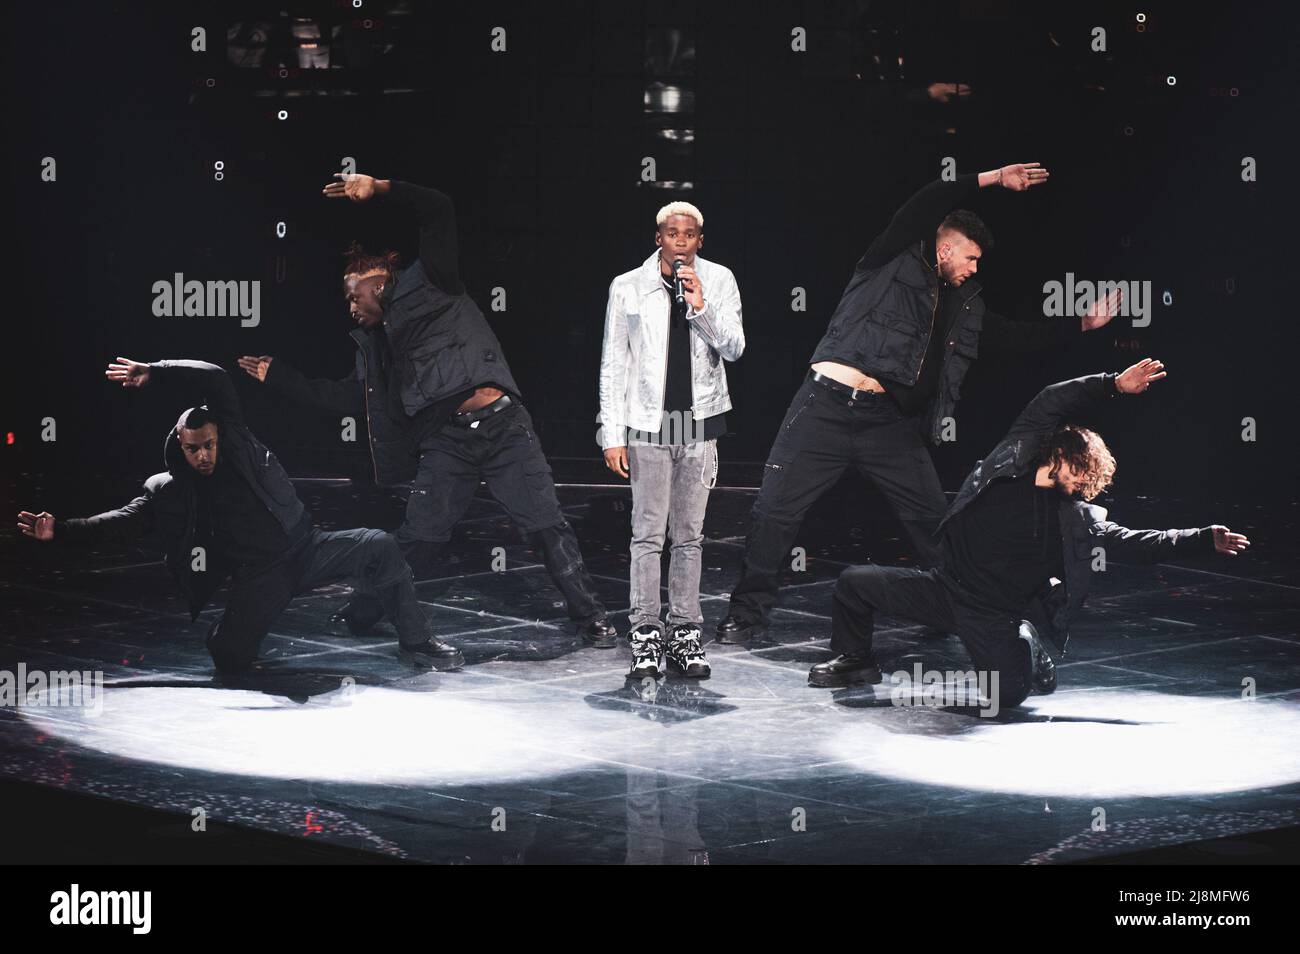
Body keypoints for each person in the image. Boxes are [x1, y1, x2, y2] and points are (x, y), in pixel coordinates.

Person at [716, 161, 1125, 644]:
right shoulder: (890, 258)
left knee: (935, 521)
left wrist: (1081, 324)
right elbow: (927, 199)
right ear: (946, 246)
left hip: (886, 422)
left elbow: (1015, 337)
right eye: (970, 258)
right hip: (823, 406)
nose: (974, 269)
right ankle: (746, 615)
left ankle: (958, 605)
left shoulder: (965, 304)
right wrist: (993, 179)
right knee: (775, 513)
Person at [239, 174, 616, 646]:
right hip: (448, 442)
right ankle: (364, 610)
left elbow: (438, 208)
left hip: (503, 428)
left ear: (378, 282)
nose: (350, 307)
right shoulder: (375, 347)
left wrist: (377, 187)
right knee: (420, 537)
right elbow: (347, 398)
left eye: (354, 296)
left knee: (545, 526)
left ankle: (591, 617)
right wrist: (281, 379)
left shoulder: (432, 280)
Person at [808, 359, 1251, 710]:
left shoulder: (1076, 520)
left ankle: (1026, 642)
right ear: (1061, 454)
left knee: (1004, 699)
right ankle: (856, 660)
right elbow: (1050, 400)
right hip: (942, 589)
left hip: (991, 614)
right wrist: (1113, 384)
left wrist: (1201, 537)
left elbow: (1137, 545)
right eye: (1080, 471)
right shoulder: (1014, 456)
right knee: (854, 583)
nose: (1082, 483)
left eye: (1088, 480)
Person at [17, 358, 464, 673]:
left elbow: (214, 376)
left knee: (380, 546)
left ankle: (416, 642)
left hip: (308, 548)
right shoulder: (170, 489)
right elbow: (121, 522)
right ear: (179, 444)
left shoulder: (236, 437)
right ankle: (227, 634)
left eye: (208, 444)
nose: (204, 455)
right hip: (263, 575)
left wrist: (154, 372)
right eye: (193, 449)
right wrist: (61, 530)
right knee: (229, 657)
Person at [599, 201, 745, 678]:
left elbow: (734, 348)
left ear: (700, 240)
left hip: (698, 422)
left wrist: (700, 305)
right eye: (672, 232)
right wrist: (611, 433)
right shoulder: (627, 286)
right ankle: (644, 632)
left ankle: (684, 631)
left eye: (690, 234)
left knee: (688, 536)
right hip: (647, 423)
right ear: (657, 236)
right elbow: (613, 363)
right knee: (647, 534)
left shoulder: (718, 281)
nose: (680, 240)